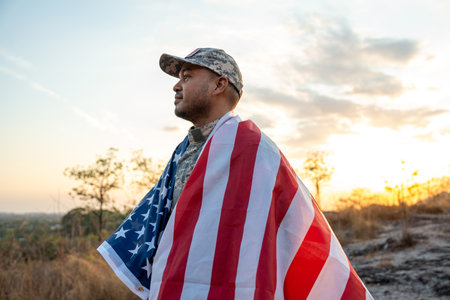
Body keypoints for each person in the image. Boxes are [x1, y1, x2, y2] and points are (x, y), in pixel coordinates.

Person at [98, 48, 373, 300]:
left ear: (219, 84)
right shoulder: (183, 151)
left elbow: (294, 230)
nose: (176, 85)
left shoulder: (254, 150)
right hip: (179, 283)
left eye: (188, 76)